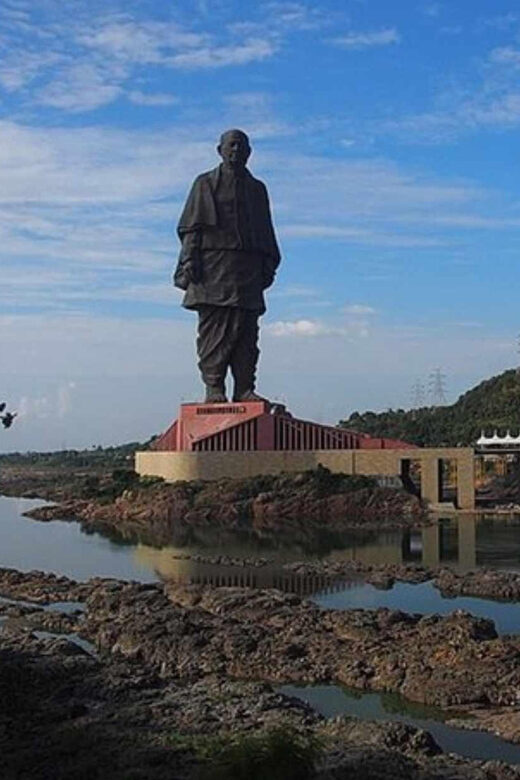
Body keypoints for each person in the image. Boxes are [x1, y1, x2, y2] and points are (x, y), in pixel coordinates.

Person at [173, 129, 281, 403]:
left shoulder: (257, 189)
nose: (236, 151)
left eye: (242, 146)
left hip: (247, 268)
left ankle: (245, 388)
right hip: (213, 267)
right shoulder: (205, 183)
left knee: (247, 332)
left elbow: (265, 229)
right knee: (214, 331)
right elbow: (191, 227)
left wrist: (268, 262)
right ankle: (214, 387)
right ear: (219, 150)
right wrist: (188, 260)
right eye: (231, 145)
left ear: (249, 152)